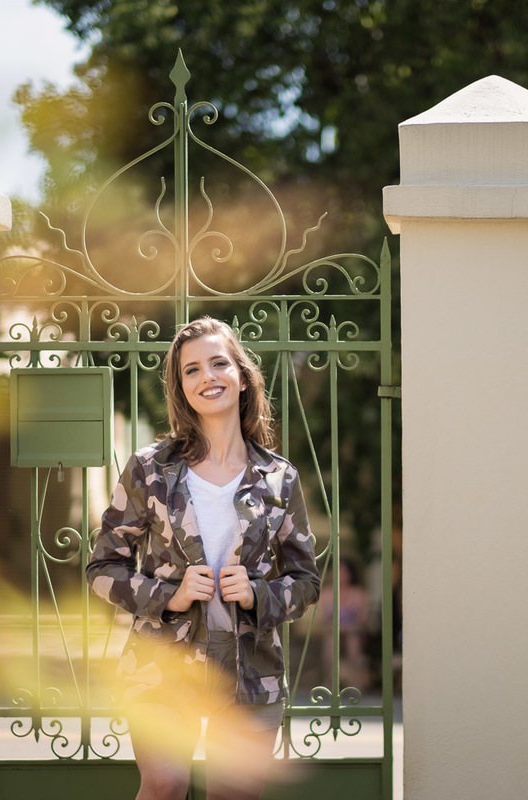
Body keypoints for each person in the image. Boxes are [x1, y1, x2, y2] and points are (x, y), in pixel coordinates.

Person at [87, 316, 321, 800]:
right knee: (166, 784)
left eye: (218, 364)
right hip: (162, 664)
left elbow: (305, 580)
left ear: (241, 376)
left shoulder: (279, 478)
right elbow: (102, 568)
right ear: (181, 388)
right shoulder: (150, 469)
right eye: (191, 370)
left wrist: (259, 594)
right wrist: (168, 596)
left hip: (250, 667)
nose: (207, 377)